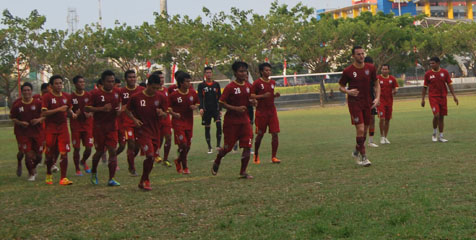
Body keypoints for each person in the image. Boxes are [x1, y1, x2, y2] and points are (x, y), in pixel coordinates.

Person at [211, 61, 255, 179]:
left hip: (244, 121)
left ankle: (243, 171)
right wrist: (235, 108)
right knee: (227, 148)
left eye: (245, 71)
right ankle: (218, 159)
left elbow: (251, 99)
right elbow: (221, 103)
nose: (243, 73)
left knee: (247, 144)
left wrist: (253, 102)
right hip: (231, 122)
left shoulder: (248, 86)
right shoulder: (230, 87)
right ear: (235, 73)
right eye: (241, 71)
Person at [338, 46, 380, 167]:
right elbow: (340, 86)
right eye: (358, 54)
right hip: (354, 103)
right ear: (353, 56)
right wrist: (348, 91)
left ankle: (357, 150)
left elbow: (377, 84)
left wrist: (377, 98)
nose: (361, 56)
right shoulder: (348, 71)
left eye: (362, 54)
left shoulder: (370, 68)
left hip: (367, 102)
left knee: (364, 131)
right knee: (360, 129)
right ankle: (364, 157)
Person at [125, 74, 167, 190]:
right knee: (149, 155)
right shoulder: (136, 97)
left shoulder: (161, 97)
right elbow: (127, 111)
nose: (155, 91)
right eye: (153, 88)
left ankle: (144, 179)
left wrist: (162, 113)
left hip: (156, 131)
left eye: (157, 88)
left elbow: (165, 114)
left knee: (152, 158)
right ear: (147, 85)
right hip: (142, 131)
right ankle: (145, 180)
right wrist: (134, 120)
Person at [85, 70, 121, 186]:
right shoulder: (95, 94)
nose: (111, 84)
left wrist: (118, 111)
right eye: (108, 81)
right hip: (99, 127)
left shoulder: (117, 92)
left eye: (113, 81)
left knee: (112, 151)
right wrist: (101, 109)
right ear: (103, 82)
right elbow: (87, 108)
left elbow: (120, 106)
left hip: (112, 127)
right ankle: (94, 172)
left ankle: (111, 178)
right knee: (99, 152)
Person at [41, 75, 74, 185]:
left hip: (63, 128)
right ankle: (49, 174)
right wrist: (59, 109)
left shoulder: (66, 96)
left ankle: (63, 178)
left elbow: (68, 110)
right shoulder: (47, 97)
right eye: (56, 83)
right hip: (51, 128)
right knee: (50, 154)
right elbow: (44, 113)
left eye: (60, 83)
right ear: (51, 86)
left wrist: (72, 114)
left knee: (64, 152)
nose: (59, 85)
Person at [10, 82, 45, 181]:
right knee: (28, 154)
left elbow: (44, 115)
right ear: (22, 92)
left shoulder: (38, 103)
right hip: (23, 133)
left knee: (38, 156)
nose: (26, 92)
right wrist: (20, 123)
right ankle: (31, 173)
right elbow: (13, 118)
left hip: (37, 132)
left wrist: (38, 120)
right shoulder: (17, 104)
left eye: (28, 90)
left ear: (31, 91)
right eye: (24, 90)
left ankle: (33, 167)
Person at [421, 57, 459, 142]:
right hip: (433, 97)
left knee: (441, 117)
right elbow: (424, 87)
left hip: (443, 97)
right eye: (430, 63)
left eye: (433, 63)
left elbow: (449, 84)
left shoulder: (444, 72)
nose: (431, 65)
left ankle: (441, 136)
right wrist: (423, 99)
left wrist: (454, 96)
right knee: (436, 115)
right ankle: (434, 133)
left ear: (438, 63)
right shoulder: (428, 74)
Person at [168, 72, 199, 174]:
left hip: (189, 122)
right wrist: (174, 113)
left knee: (188, 146)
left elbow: (197, 102)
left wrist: (195, 107)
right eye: (187, 81)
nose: (189, 83)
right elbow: (168, 108)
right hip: (178, 122)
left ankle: (178, 160)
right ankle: (185, 167)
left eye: (189, 81)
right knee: (183, 144)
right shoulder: (174, 95)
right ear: (181, 83)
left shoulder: (192, 93)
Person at [251, 62, 281, 164]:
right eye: (266, 70)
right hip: (261, 112)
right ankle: (256, 154)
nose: (268, 72)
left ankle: (274, 156)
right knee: (260, 135)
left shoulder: (272, 82)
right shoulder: (257, 83)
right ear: (261, 71)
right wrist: (262, 96)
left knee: (275, 133)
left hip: (272, 111)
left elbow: (270, 95)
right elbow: (251, 96)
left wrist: (275, 96)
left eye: (269, 70)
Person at [117, 70, 144, 176]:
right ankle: (131, 168)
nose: (132, 79)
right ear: (125, 79)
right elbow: (118, 107)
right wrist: (120, 109)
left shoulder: (141, 90)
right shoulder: (121, 92)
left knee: (137, 146)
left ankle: (130, 161)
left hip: (139, 122)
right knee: (131, 143)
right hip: (127, 123)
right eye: (130, 77)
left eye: (134, 77)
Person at [69, 75, 94, 176]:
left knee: (89, 148)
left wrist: (91, 113)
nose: (82, 84)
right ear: (75, 84)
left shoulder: (88, 95)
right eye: (80, 82)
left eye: (83, 82)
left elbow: (93, 108)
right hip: (76, 126)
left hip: (87, 125)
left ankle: (83, 161)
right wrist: (73, 114)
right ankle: (77, 169)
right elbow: (68, 110)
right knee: (77, 148)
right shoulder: (71, 97)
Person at [197, 66, 222, 154]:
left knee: (219, 125)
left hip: (215, 109)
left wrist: (220, 109)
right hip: (206, 110)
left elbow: (220, 97)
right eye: (207, 72)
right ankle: (209, 147)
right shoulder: (201, 85)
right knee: (207, 128)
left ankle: (218, 145)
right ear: (204, 74)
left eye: (210, 72)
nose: (208, 74)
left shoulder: (216, 84)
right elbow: (200, 97)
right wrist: (201, 108)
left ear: (212, 73)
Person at [152, 70, 172, 167]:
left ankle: (166, 158)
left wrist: (167, 112)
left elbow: (168, 105)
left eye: (163, 78)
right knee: (158, 139)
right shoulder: (152, 91)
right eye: (160, 78)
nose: (162, 80)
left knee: (168, 138)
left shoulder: (165, 90)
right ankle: (155, 155)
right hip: (155, 119)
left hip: (166, 118)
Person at [377, 64, 398, 144]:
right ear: (381, 70)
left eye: (386, 69)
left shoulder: (392, 78)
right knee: (382, 118)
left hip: (389, 102)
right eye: (383, 69)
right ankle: (381, 137)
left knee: (387, 120)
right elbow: (375, 88)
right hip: (381, 101)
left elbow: (395, 87)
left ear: (388, 70)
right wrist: (377, 99)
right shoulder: (378, 78)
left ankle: (385, 137)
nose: (384, 70)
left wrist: (395, 90)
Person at [364, 56, 379, 148]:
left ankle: (370, 141)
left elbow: (375, 87)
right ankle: (362, 141)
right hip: (362, 100)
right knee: (364, 122)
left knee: (372, 119)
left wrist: (377, 98)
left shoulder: (373, 75)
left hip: (371, 99)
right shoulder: (361, 73)